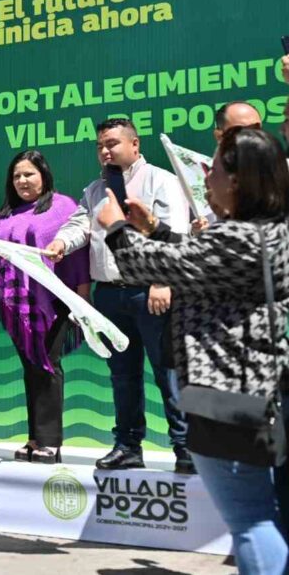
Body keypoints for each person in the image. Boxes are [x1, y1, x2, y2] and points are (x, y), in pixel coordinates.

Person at [97, 127, 289, 575]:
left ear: (238, 180)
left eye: (215, 169)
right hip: (263, 389)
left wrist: (117, 228)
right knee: (268, 514)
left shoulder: (235, 237)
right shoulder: (272, 233)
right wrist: (157, 229)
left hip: (227, 394)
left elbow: (160, 265)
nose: (206, 178)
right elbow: (201, 259)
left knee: (250, 521)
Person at [45, 117, 192, 473]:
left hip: (151, 291)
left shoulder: (162, 180)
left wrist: (163, 281)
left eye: (112, 143)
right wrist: (61, 242)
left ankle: (186, 448)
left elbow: (176, 230)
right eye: (100, 146)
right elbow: (81, 224)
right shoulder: (95, 190)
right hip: (110, 295)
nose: (105, 151)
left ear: (135, 145)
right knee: (122, 375)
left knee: (167, 372)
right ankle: (128, 445)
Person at [0, 151, 90, 463]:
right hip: (19, 307)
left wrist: (82, 298)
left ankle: (50, 442)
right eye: (17, 176)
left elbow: (79, 256)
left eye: (29, 174)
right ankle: (35, 436)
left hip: (54, 302)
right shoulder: (5, 217)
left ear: (44, 175)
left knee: (48, 367)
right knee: (31, 369)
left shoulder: (62, 207)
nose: (23, 181)